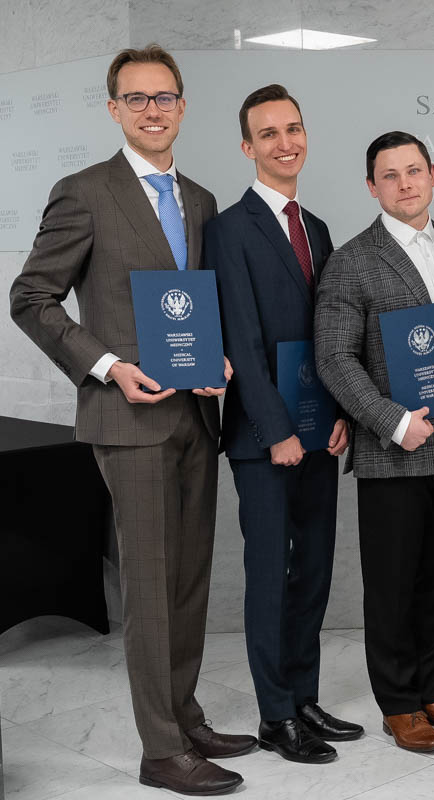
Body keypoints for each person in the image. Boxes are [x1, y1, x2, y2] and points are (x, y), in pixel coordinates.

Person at [8, 45, 252, 795]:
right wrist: (108, 365)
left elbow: (198, 308)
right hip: (127, 419)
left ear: (182, 106)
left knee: (188, 585)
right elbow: (31, 298)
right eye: (137, 98)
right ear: (114, 108)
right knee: (149, 587)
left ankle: (184, 714)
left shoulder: (202, 200)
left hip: (196, 420)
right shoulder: (83, 192)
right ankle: (161, 751)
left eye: (165, 96)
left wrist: (219, 363)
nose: (153, 109)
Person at [314, 131, 434, 754]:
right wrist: (390, 420)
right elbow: (334, 358)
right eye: (390, 176)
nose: (405, 184)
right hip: (393, 451)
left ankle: (433, 691)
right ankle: (399, 702)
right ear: (372, 187)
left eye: (414, 171)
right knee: (391, 583)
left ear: (433, 175)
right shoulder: (352, 259)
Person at [204, 84, 362, 764]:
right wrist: (277, 431)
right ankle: (274, 716)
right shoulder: (229, 229)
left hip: (319, 432)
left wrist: (338, 418)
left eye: (292, 128)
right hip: (263, 437)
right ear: (248, 147)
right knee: (272, 574)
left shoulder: (318, 227)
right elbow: (239, 338)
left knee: (315, 573)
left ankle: (303, 696)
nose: (284, 142)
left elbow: (329, 341)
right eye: (268, 134)